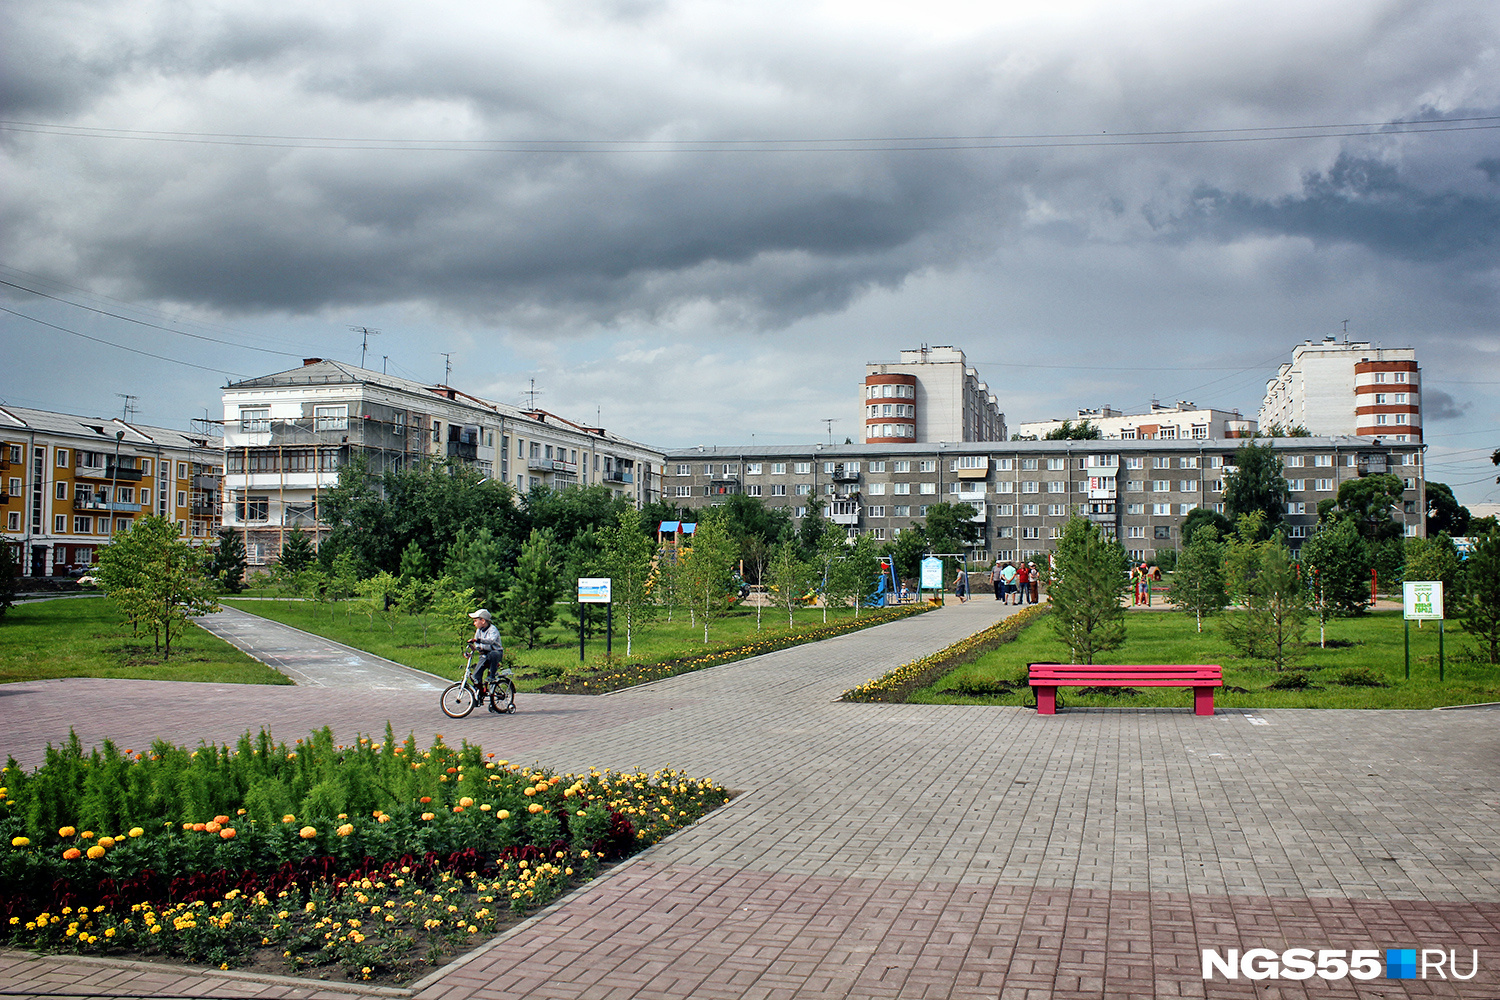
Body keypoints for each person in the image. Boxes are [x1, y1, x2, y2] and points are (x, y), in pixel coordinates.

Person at [467, 609, 505, 713]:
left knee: (493, 654)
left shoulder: (493, 629)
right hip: (484, 654)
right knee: (475, 676)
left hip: (495, 653)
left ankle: (492, 675)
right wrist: (474, 648)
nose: (474, 623)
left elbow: (491, 641)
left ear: (483, 621)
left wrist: (478, 641)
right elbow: (477, 644)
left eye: (475, 621)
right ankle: (479, 695)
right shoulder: (479, 631)